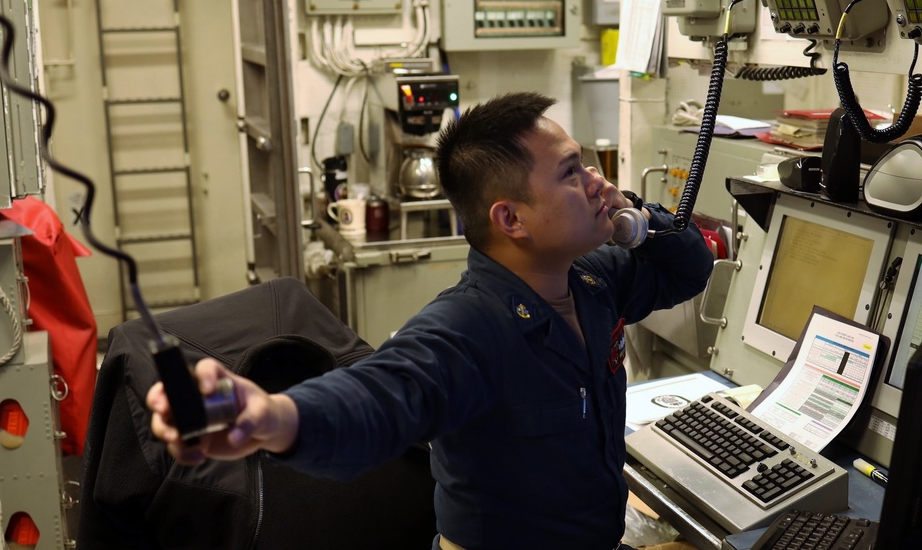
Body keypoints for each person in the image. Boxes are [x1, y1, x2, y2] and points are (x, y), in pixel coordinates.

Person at [148, 91, 714, 550]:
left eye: (584, 161)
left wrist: (637, 223)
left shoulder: (591, 279)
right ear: (510, 218)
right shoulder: (468, 328)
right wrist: (271, 415)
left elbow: (690, 269)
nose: (595, 178)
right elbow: (377, 396)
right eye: (570, 173)